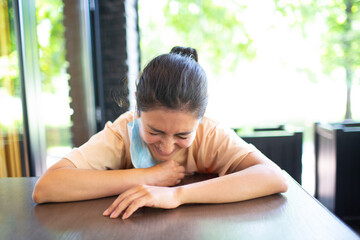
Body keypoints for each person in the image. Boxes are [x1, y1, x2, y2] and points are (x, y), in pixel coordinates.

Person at [32, 46, 288, 219]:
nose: (166, 147)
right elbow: (47, 188)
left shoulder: (210, 133)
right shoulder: (124, 131)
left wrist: (177, 194)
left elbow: (274, 178)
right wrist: (148, 176)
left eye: (182, 136)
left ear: (202, 117)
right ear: (138, 109)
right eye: (154, 131)